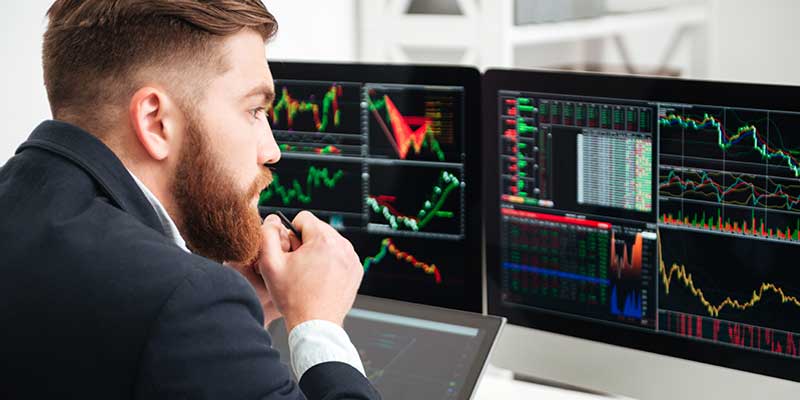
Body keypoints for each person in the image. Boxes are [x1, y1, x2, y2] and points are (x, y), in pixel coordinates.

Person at [0, 1, 381, 399]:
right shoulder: (186, 299)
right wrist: (318, 324)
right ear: (155, 122)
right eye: (254, 110)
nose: (271, 151)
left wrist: (231, 323)